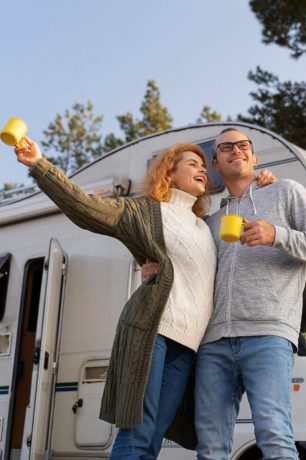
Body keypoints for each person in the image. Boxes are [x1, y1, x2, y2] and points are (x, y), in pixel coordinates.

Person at [14, 135, 274, 459]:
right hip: (154, 331)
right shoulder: (147, 212)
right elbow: (84, 207)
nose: (202, 171)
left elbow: (243, 219)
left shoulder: (206, 226)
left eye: (204, 167)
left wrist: (264, 185)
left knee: (153, 439)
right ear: (169, 173)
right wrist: (39, 164)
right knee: (138, 431)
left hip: (188, 346)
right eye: (192, 164)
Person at [143, 127, 306, 459]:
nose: (236, 150)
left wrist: (276, 234)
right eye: (225, 147)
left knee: (275, 438)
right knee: (211, 448)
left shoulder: (285, 192)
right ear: (216, 165)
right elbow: (195, 273)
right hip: (214, 344)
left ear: (254, 157)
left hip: (268, 334)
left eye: (243, 145)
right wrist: (158, 271)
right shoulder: (211, 221)